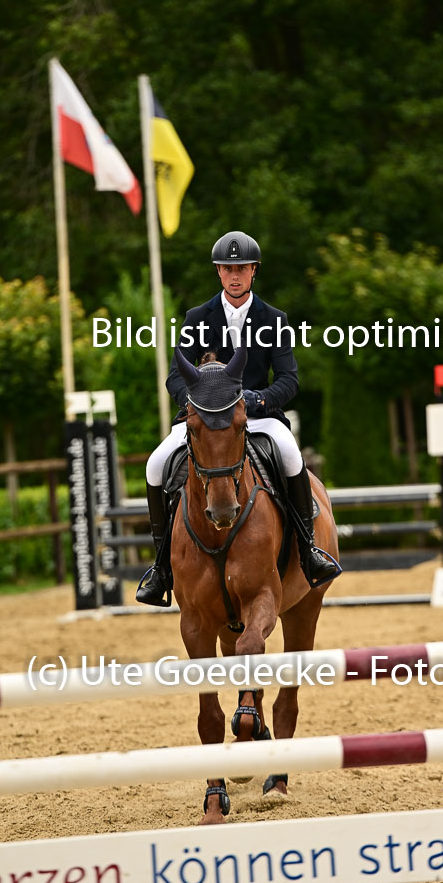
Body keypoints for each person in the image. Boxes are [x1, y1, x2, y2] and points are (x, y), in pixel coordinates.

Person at [136, 230, 340, 606]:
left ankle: (309, 550)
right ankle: (161, 567)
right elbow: (175, 377)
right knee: (155, 465)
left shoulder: (273, 319)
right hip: (206, 421)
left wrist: (259, 400)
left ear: (253, 271)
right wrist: (197, 403)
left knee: (291, 456)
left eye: (241, 268)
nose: (234, 275)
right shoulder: (198, 317)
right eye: (228, 268)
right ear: (218, 271)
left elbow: (289, 380)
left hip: (256, 417)